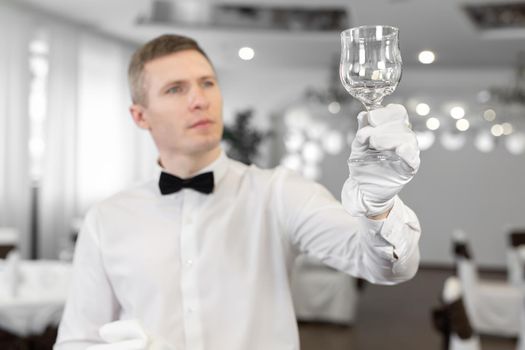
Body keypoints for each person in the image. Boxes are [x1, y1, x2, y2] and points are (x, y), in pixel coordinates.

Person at [54, 34, 421, 350]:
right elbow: (76, 340)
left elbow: (385, 267)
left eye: (207, 83)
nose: (199, 99)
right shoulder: (106, 220)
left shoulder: (278, 193)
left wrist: (378, 207)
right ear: (140, 116)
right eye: (175, 89)